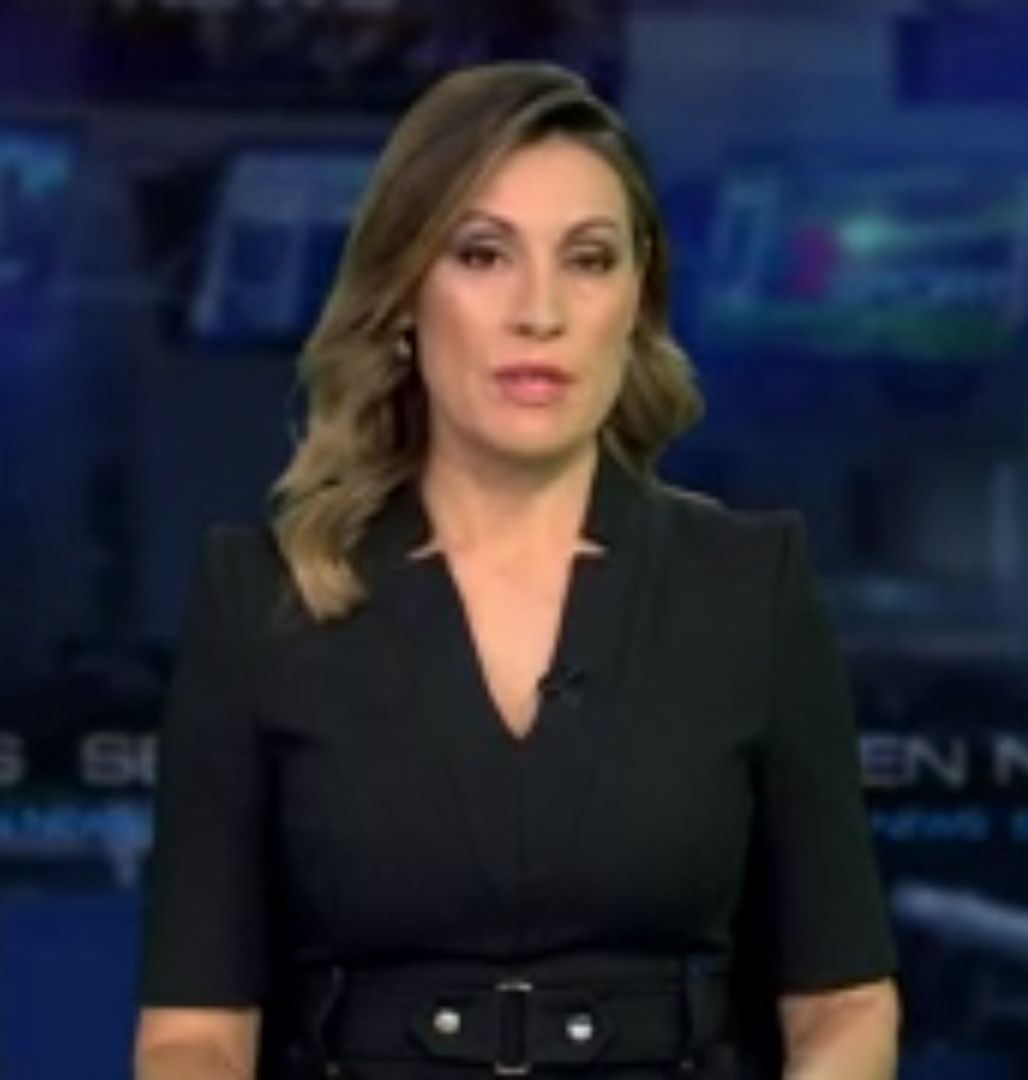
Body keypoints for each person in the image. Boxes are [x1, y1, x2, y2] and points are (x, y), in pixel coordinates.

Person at [134, 61, 900, 1080]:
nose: (539, 310)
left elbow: (845, 1005)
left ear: (635, 300)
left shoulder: (747, 587)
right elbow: (192, 1034)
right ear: (404, 294)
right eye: (483, 254)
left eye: (588, 259)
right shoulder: (261, 599)